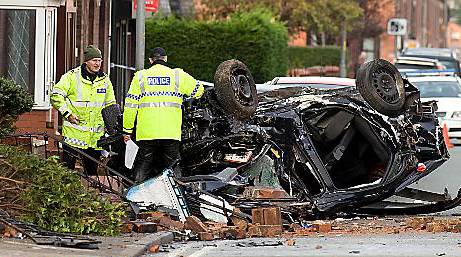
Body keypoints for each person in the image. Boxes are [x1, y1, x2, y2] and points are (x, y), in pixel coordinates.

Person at [123, 47, 204, 183]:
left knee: (143, 165)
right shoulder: (178, 75)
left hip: (146, 133)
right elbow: (199, 90)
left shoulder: (140, 77)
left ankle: (134, 197)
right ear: (165, 59)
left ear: (150, 60)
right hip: (171, 132)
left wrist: (127, 130)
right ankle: (178, 197)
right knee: (173, 167)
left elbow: (130, 106)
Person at [51, 45, 116, 175]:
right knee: (67, 173)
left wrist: (112, 128)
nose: (97, 64)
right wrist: (68, 114)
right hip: (74, 136)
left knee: (91, 176)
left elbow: (111, 105)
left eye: (99, 60)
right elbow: (55, 95)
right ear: (86, 61)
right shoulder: (71, 77)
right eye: (94, 60)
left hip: (95, 138)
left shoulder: (105, 80)